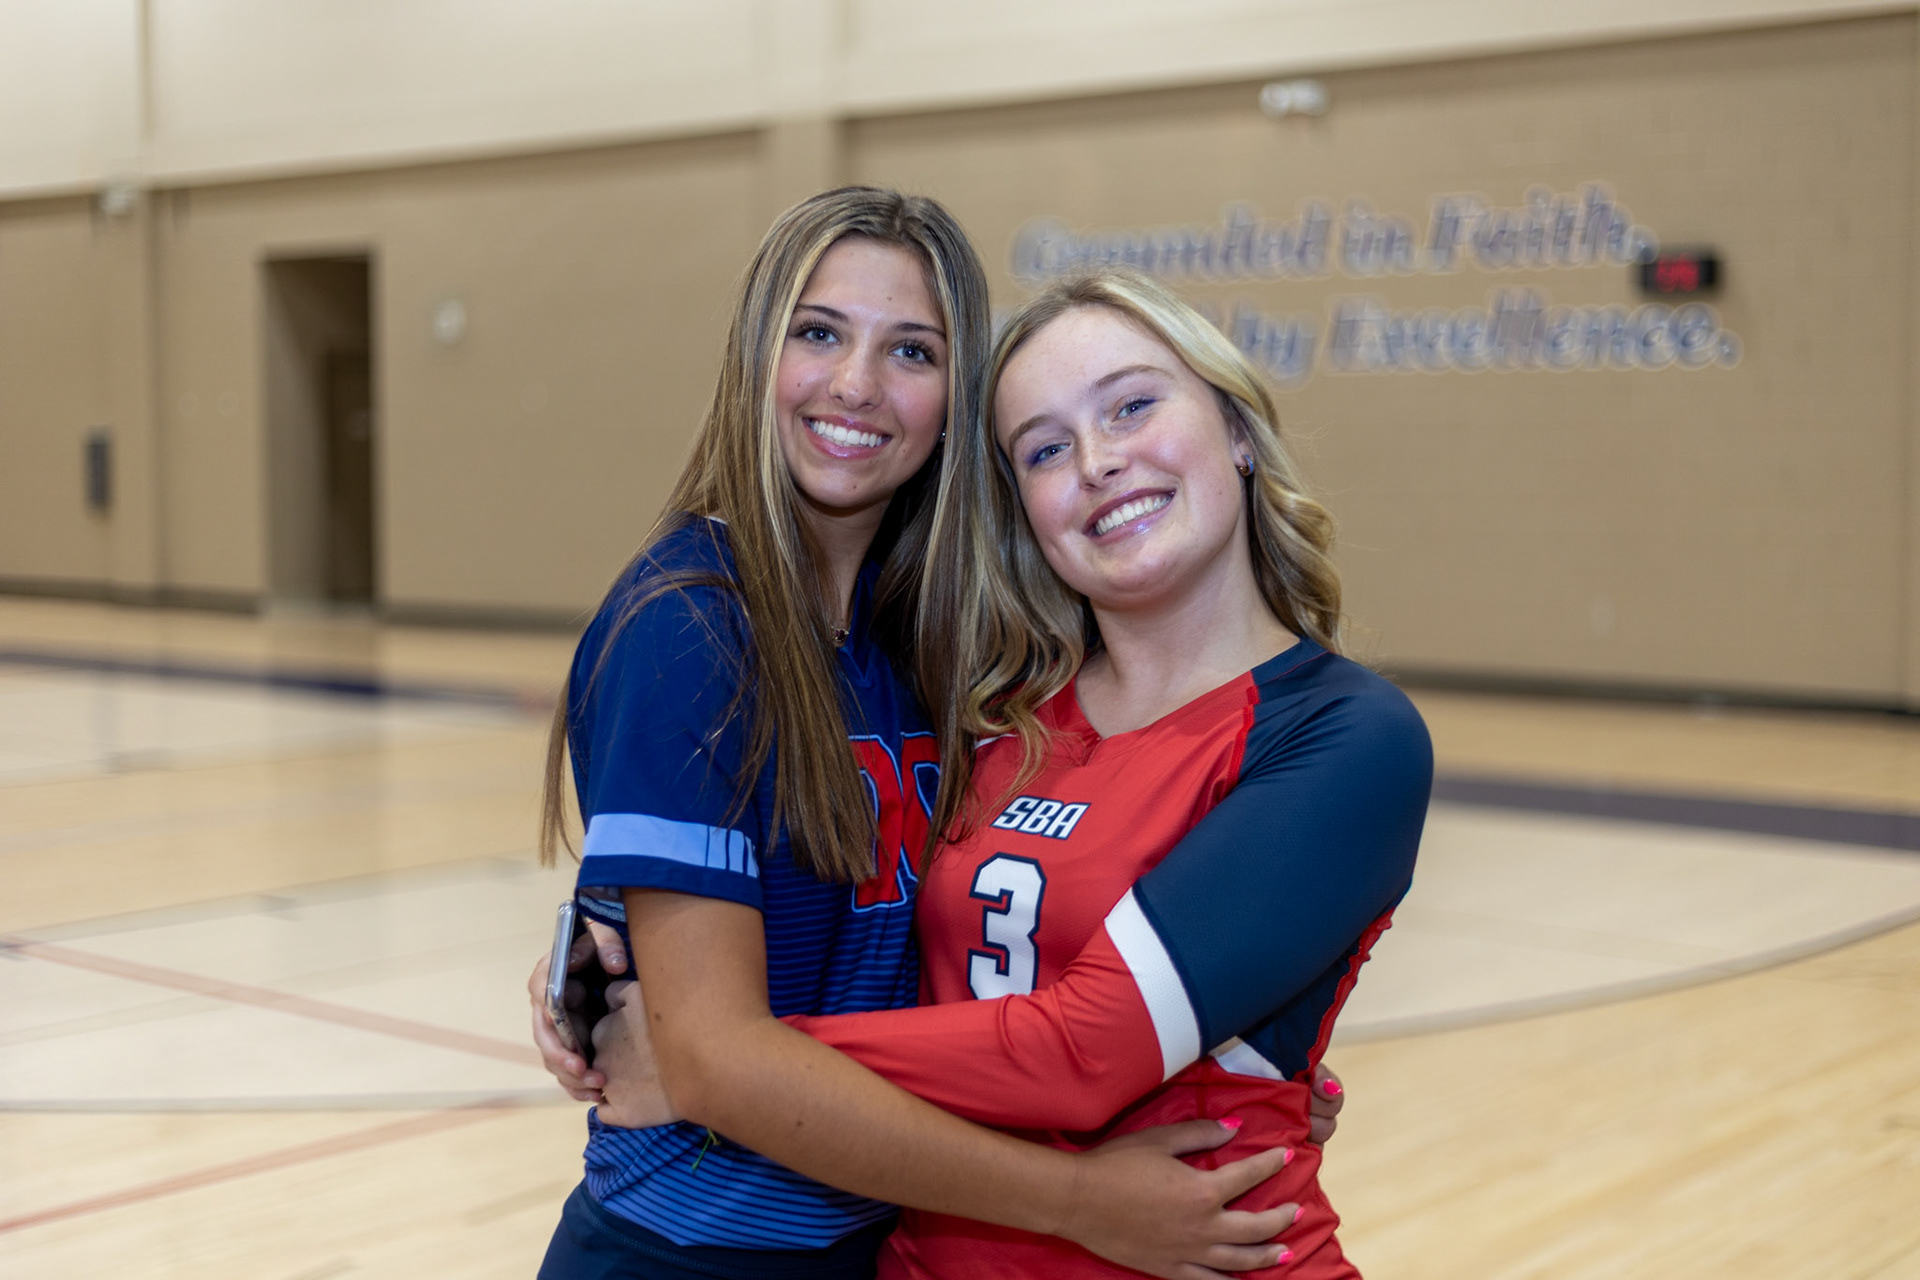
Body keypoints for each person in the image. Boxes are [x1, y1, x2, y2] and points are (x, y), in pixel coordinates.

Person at [568, 266, 1431, 1279]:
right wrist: (607, 961)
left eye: (1134, 404)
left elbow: (1083, 1050)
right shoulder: (987, 716)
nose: (1101, 461)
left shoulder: (1346, 731)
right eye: (1047, 449)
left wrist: (719, 1062)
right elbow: (851, 915)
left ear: (1237, 428)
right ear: (1023, 506)